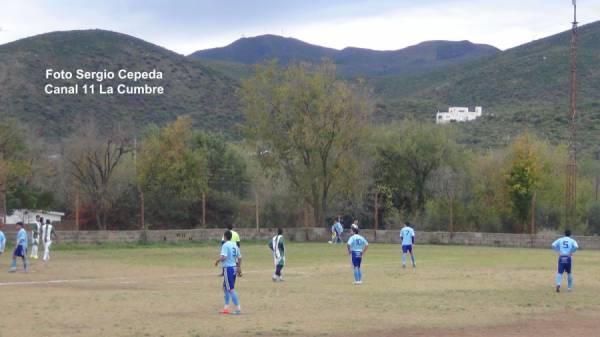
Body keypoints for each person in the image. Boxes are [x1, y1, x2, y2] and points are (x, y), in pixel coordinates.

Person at [214, 230, 242, 315]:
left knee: (230, 289)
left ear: (225, 237)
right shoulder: (235, 245)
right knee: (225, 288)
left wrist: (217, 261)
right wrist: (239, 267)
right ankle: (226, 308)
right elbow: (240, 257)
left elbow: (224, 257)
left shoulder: (225, 245)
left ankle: (238, 308)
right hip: (233, 268)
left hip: (228, 269)